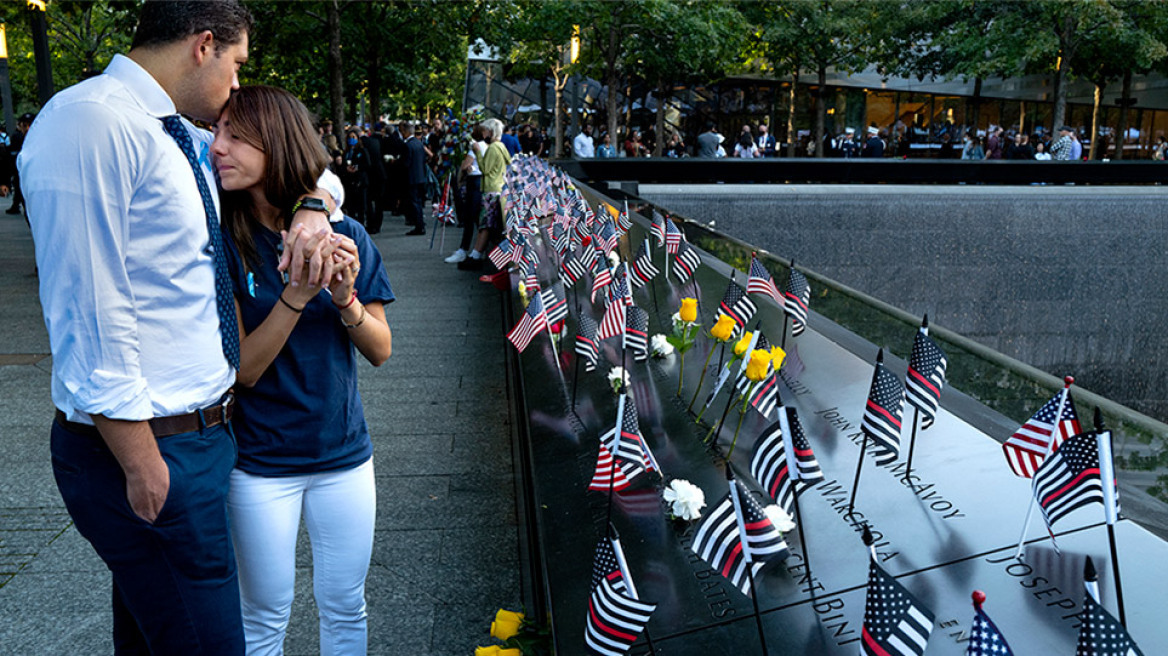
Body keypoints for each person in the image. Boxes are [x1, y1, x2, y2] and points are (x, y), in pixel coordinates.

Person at [18, 2, 336, 653]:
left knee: (154, 633)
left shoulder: (178, 134)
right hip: (149, 444)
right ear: (204, 45)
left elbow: (304, 164)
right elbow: (88, 307)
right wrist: (142, 463)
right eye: (236, 63)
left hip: (200, 439)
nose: (237, 83)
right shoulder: (91, 122)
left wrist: (311, 207)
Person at [213, 84, 393, 656]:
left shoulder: (347, 235)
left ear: (277, 144)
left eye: (235, 136)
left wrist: (344, 299)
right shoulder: (224, 241)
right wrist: (296, 294)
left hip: (344, 455)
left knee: (345, 606)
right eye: (217, 131)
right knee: (264, 617)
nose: (217, 147)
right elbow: (244, 370)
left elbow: (381, 349)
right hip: (260, 463)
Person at [459, 118, 510, 271]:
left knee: (485, 224)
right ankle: (477, 254)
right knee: (487, 225)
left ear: (491, 132)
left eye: (485, 131)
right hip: (498, 186)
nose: (483, 134)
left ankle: (476, 255)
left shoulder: (493, 147)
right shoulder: (501, 146)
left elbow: (485, 169)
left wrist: (477, 153)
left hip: (491, 188)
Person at [445, 123, 486, 264]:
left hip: (474, 181)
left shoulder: (476, 147)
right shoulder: (490, 146)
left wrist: (460, 180)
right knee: (477, 218)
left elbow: (464, 165)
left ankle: (464, 249)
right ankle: (477, 250)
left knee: (469, 217)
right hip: (483, 181)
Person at [401, 121, 428, 235]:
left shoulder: (408, 145)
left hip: (411, 177)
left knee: (414, 202)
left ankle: (419, 226)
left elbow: (406, 163)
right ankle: (420, 224)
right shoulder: (418, 143)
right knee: (418, 202)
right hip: (420, 176)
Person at [340, 129, 370, 226]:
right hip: (349, 181)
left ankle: (361, 223)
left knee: (361, 206)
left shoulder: (362, 150)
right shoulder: (346, 152)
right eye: (349, 137)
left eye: (353, 137)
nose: (351, 139)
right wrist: (346, 168)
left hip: (360, 181)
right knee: (351, 206)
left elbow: (367, 164)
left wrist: (357, 168)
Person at [5, 113, 32, 214]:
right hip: (20, 170)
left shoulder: (37, 137)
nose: (27, 128)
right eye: (24, 125)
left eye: (29, 125)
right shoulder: (18, 136)